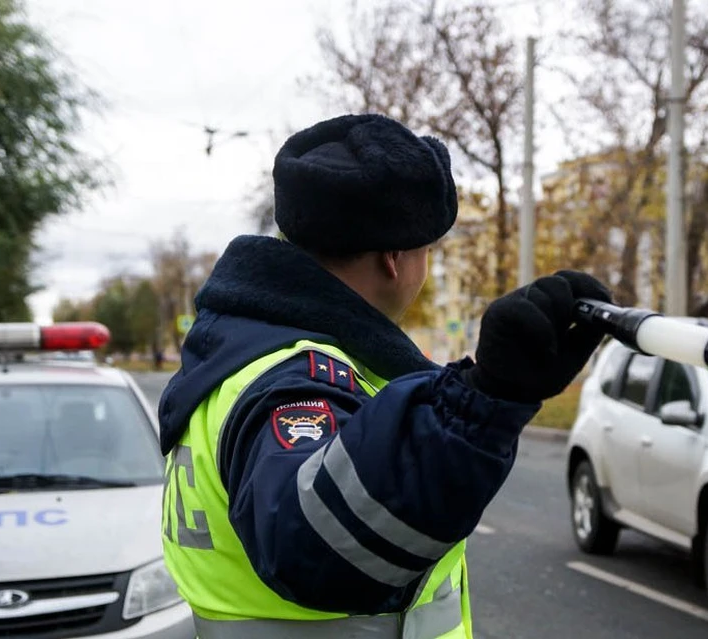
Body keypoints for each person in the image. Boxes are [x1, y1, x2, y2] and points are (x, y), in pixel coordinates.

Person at [158, 113, 612, 639]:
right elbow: (317, 543)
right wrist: (484, 400)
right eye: (426, 251)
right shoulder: (294, 379)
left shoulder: (238, 354)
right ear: (395, 258)